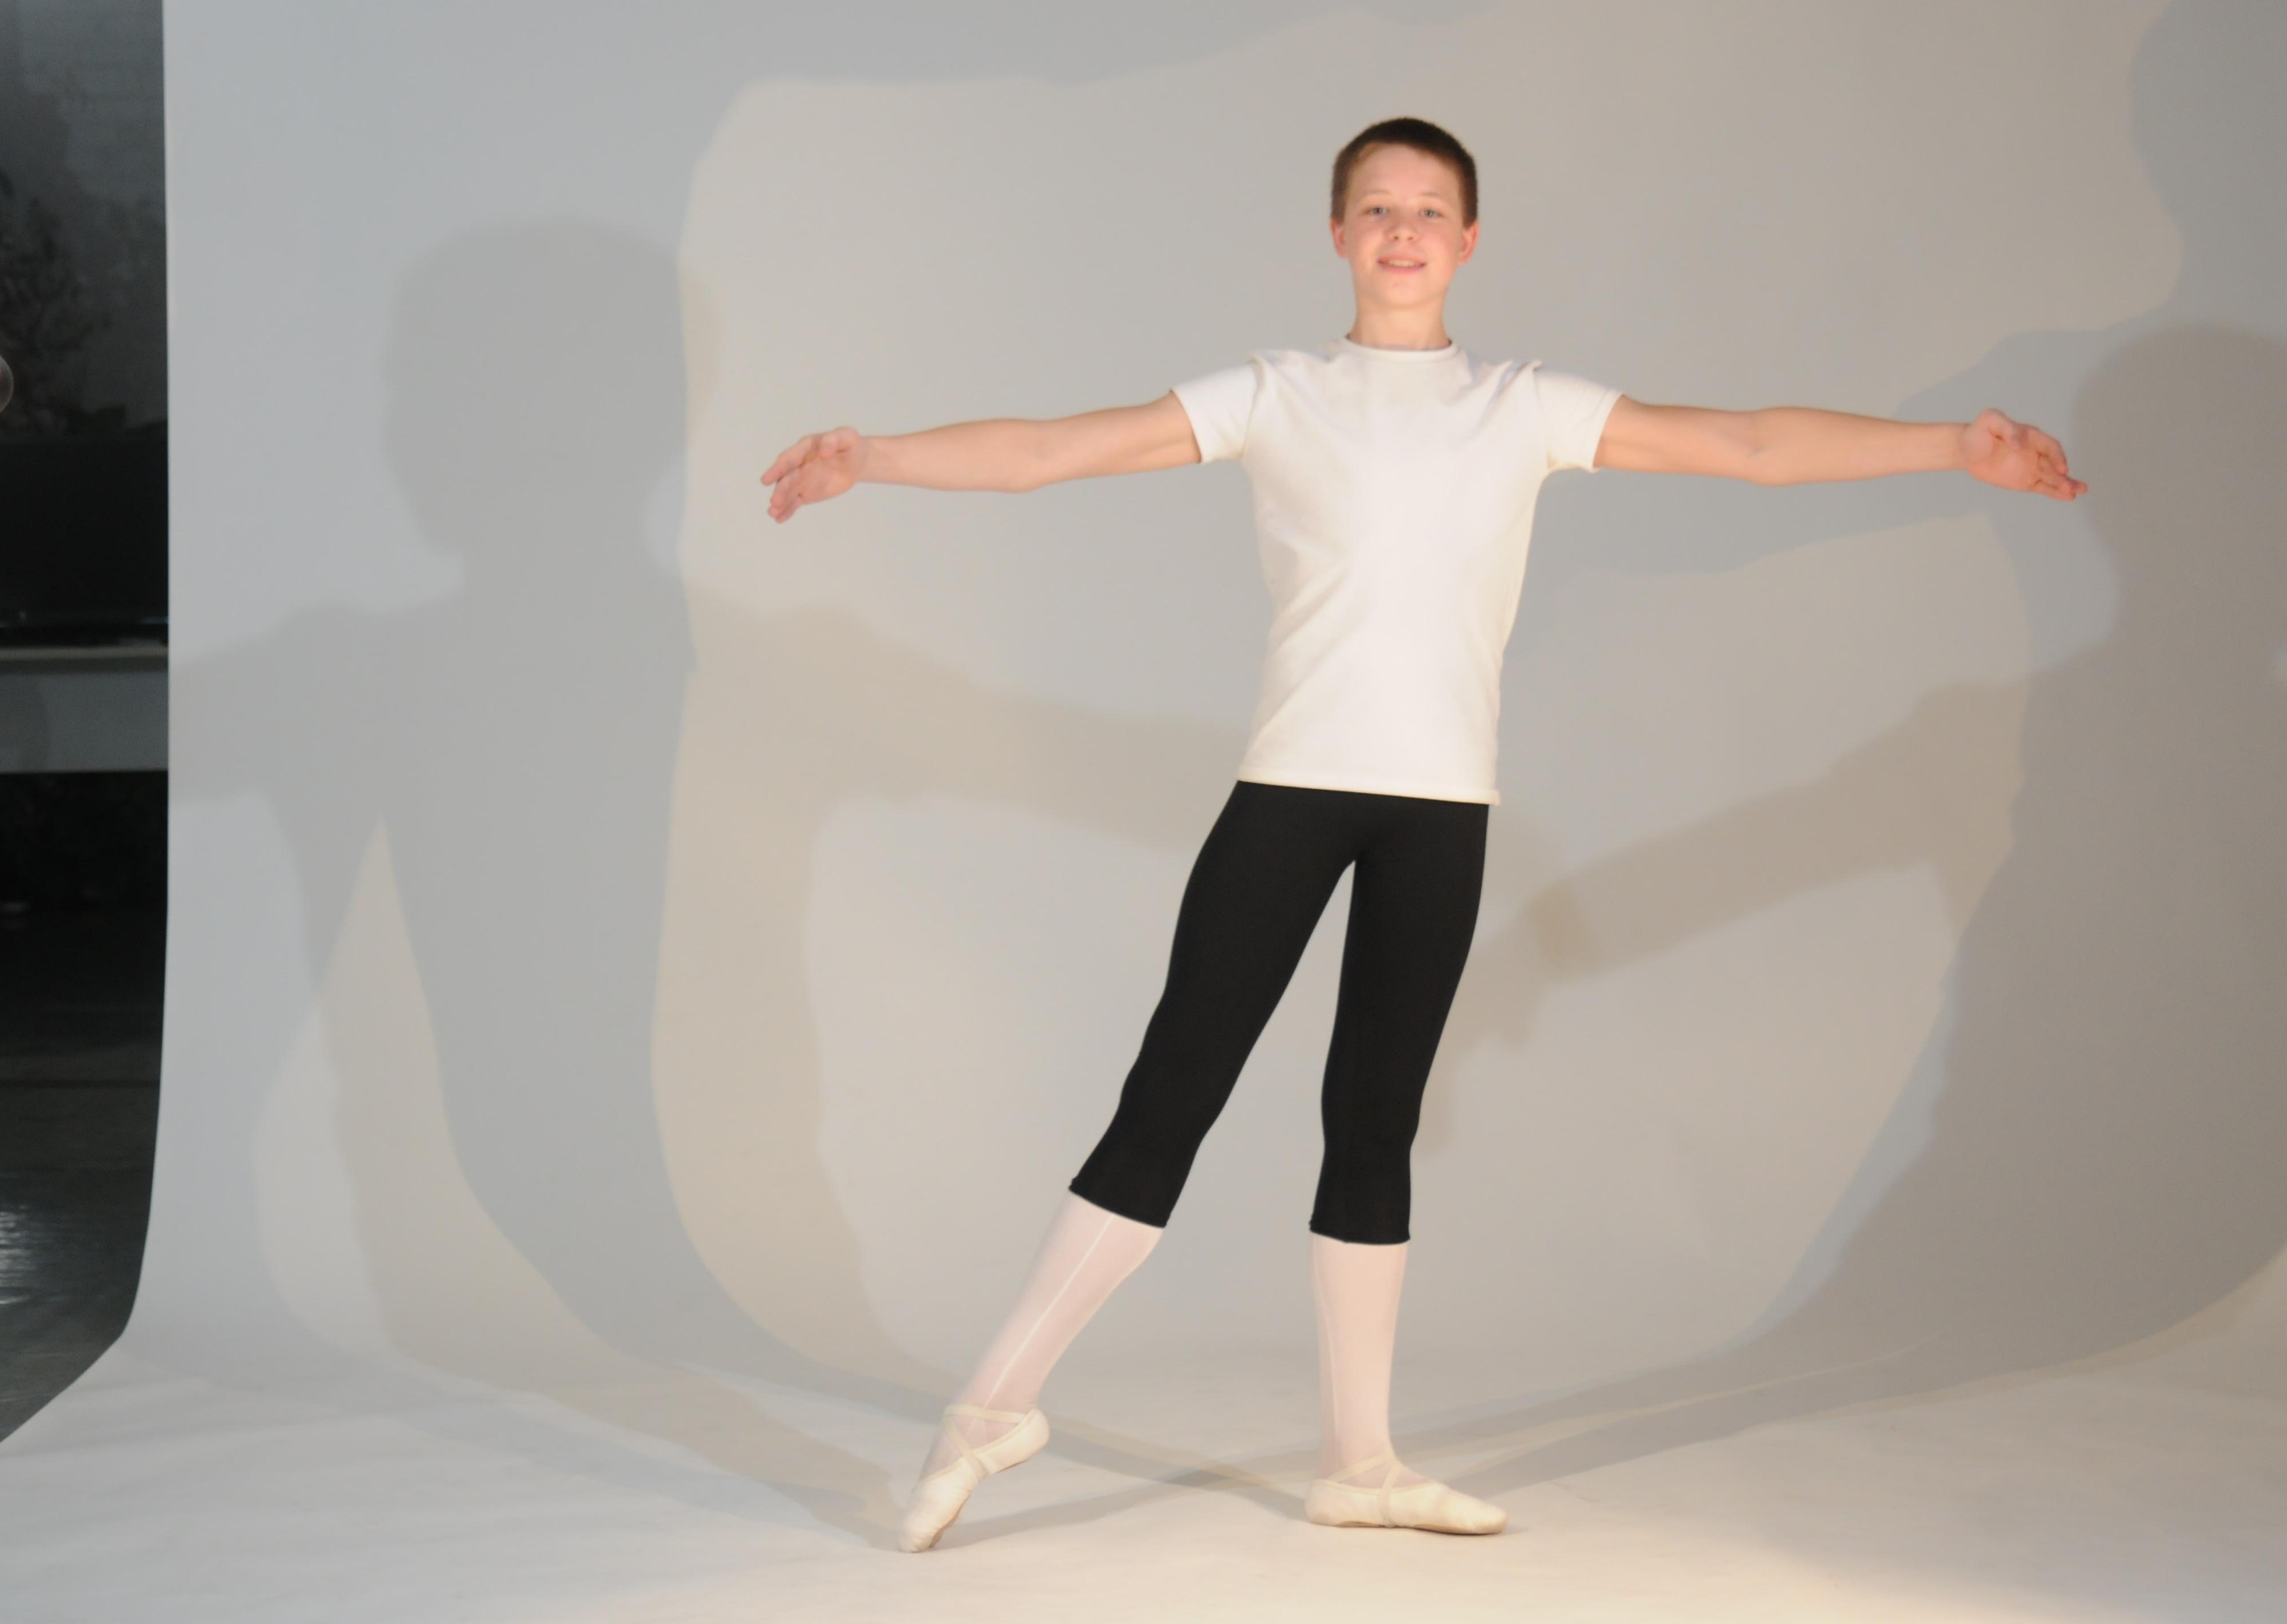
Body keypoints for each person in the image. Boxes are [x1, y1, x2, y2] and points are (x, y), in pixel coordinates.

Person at [761, 116, 2083, 1554]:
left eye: (1430, 209)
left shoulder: (1519, 405)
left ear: (1469, 240)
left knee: (1372, 1121)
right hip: (1290, 792)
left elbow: (1749, 444)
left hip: (1441, 811)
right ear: (1337, 234)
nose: (1403, 231)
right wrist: (872, 455)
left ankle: (1362, 1458)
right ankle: (988, 1407)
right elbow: (1045, 452)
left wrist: (1953, 447)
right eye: (1377, 208)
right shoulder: (1278, 392)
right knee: (1171, 1095)